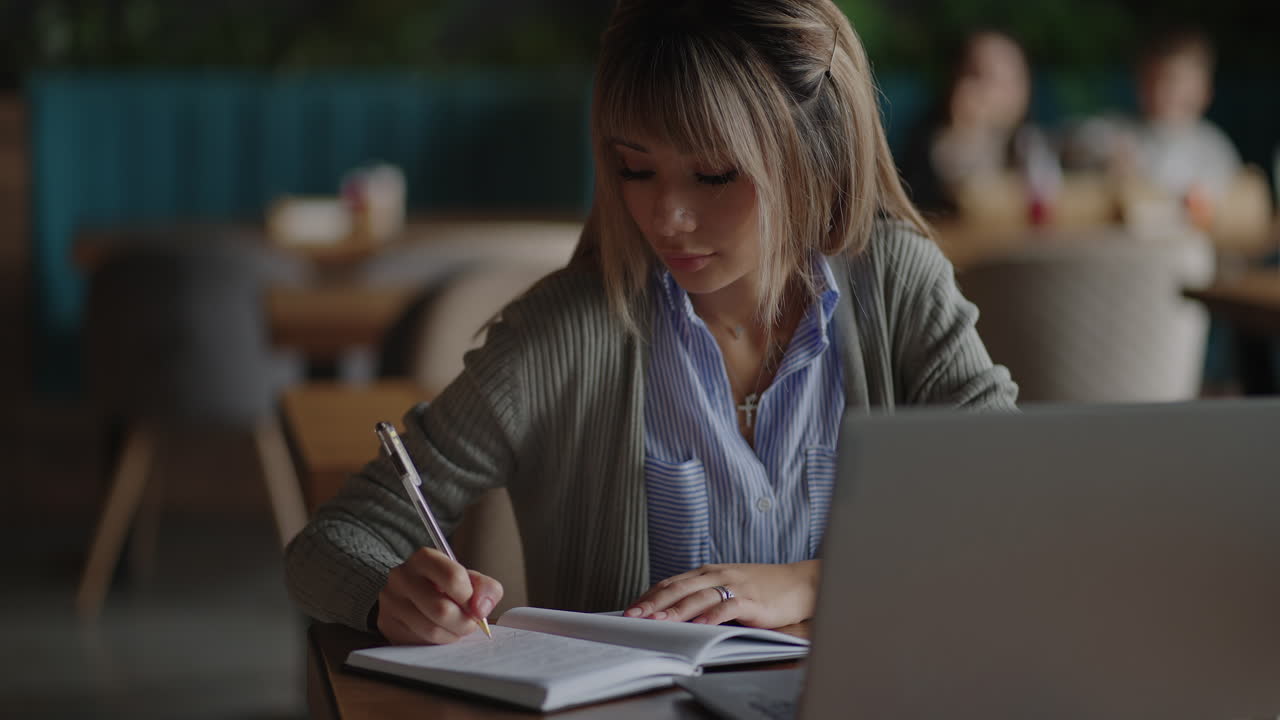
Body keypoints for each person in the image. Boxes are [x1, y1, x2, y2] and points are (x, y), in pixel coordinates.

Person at [285, 0, 1018, 646]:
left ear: (817, 154)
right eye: (636, 170)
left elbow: (1016, 506)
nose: (666, 215)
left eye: (714, 174)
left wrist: (811, 582)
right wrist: (393, 597)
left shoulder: (896, 284)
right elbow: (329, 545)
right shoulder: (559, 336)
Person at [899, 30, 1050, 219]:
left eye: (1012, 77)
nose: (1001, 90)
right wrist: (967, 133)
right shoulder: (930, 146)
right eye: (982, 76)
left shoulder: (1028, 143)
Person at [1119, 30, 1242, 229]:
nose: (1161, 92)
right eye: (1152, 80)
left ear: (1204, 90)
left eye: (1174, 81)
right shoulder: (1122, 133)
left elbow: (1231, 208)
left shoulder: (1214, 148)